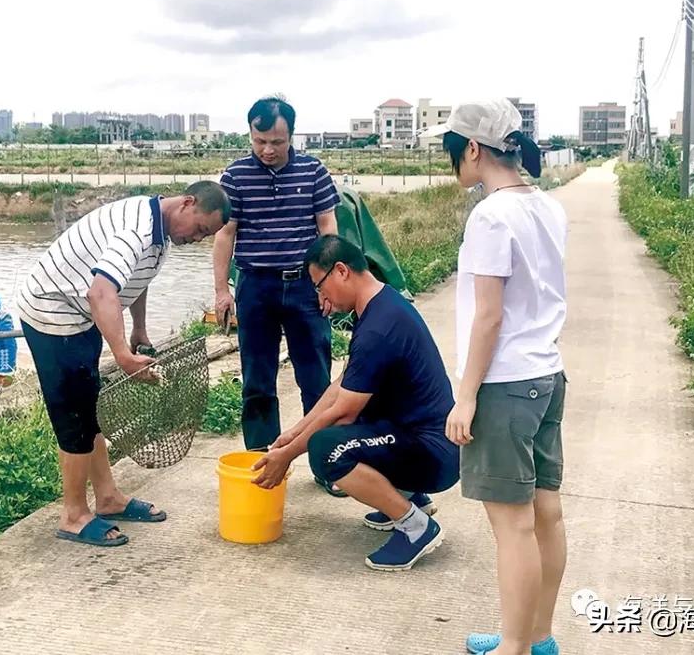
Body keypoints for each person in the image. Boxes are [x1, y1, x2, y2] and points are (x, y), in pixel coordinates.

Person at [424, 100, 568, 655]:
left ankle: (511, 648)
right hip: (548, 375)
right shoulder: (548, 206)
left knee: (513, 529)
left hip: (505, 385)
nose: (450, 160)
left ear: (474, 149)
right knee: (546, 516)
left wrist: (465, 398)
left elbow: (489, 315)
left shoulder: (490, 216)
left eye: (452, 149)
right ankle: (538, 639)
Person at [17, 181, 231, 547]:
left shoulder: (161, 234)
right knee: (74, 416)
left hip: (81, 315)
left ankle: (108, 498)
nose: (198, 238)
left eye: (207, 235)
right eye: (199, 229)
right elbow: (101, 291)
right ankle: (73, 515)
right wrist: (122, 356)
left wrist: (139, 329)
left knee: (91, 407)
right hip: (51, 311)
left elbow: (135, 280)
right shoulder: (137, 229)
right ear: (187, 203)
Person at [251, 235, 459, 571]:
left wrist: (288, 456)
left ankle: (416, 526)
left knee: (325, 449)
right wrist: (292, 433)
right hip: (422, 438)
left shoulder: (379, 328)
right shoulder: (380, 305)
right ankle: (408, 497)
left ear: (342, 271)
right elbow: (341, 387)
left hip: (432, 453)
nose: (322, 299)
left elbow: (343, 413)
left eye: (320, 287)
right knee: (326, 429)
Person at [212, 96, 343, 495]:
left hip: (305, 286)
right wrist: (222, 290)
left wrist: (331, 286)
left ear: (292, 136)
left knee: (316, 378)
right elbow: (225, 234)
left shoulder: (314, 170)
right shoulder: (234, 177)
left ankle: (326, 464)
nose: (268, 150)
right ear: (250, 135)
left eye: (278, 142)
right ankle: (261, 462)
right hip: (256, 287)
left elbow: (327, 228)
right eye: (260, 141)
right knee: (257, 380)